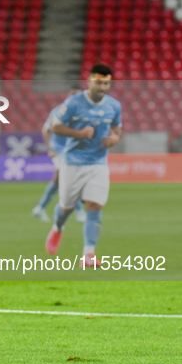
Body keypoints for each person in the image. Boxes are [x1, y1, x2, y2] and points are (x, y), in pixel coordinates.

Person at [44, 64, 122, 267]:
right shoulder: (73, 103)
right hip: (72, 162)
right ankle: (57, 228)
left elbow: (117, 130)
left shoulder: (114, 106)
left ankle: (88, 254)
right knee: (66, 208)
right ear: (89, 81)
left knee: (94, 205)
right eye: (98, 82)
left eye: (106, 83)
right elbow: (55, 127)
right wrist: (79, 134)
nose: (102, 87)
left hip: (98, 163)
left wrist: (114, 140)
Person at [32, 85, 86, 223]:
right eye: (73, 95)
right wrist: (50, 148)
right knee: (70, 178)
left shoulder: (82, 112)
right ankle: (79, 211)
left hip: (73, 150)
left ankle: (39, 208)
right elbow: (46, 130)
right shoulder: (59, 111)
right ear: (68, 96)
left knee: (58, 181)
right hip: (59, 150)